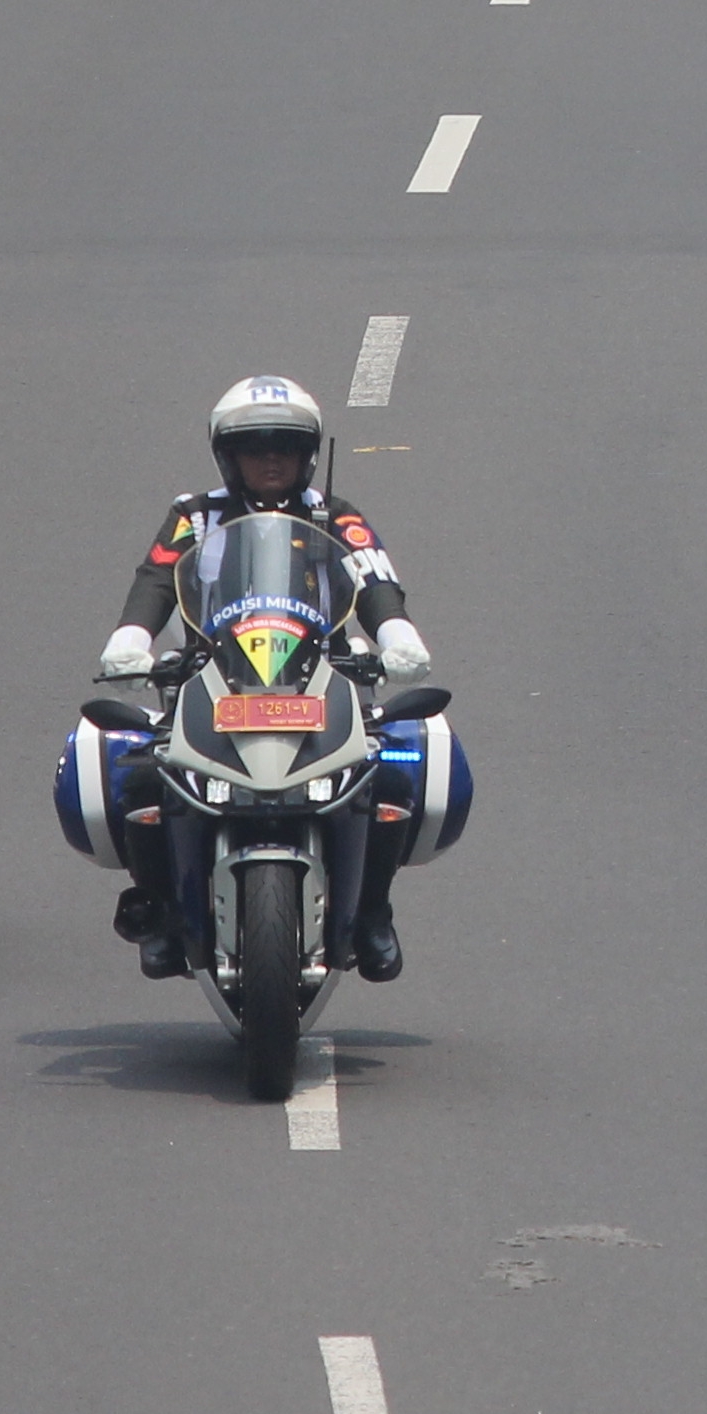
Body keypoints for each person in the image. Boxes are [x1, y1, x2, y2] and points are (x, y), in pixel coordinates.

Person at [97, 375, 431, 979]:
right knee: (139, 779)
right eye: (256, 447)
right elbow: (157, 576)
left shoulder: (334, 514)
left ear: (308, 455)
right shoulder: (194, 516)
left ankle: (375, 911)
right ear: (229, 457)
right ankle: (165, 912)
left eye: (286, 446)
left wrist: (397, 636)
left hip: (321, 675)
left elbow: (375, 576)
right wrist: (131, 639)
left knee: (396, 775)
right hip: (213, 675)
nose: (272, 459)